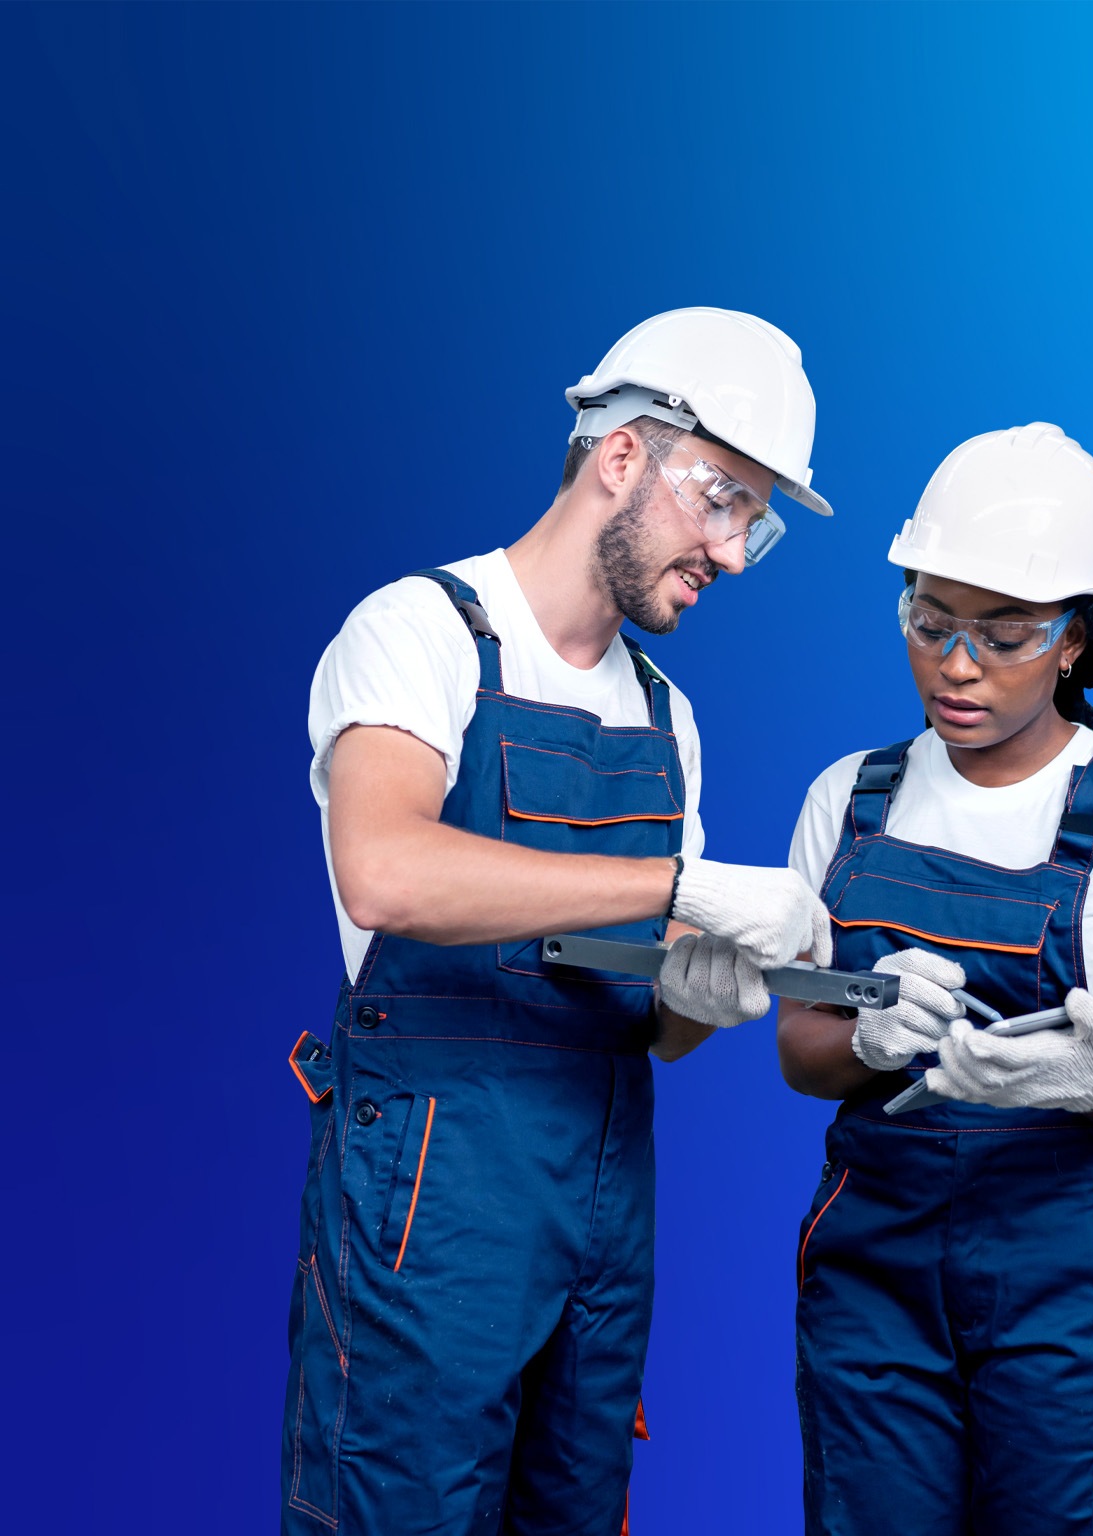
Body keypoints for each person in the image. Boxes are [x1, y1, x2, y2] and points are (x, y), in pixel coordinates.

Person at [281, 307, 835, 1536]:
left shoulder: (666, 720)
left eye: (758, 521)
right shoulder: (421, 632)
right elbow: (384, 871)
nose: (736, 553)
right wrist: (679, 889)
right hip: (429, 1202)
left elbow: (645, 1027)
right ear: (624, 456)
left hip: (600, 1216)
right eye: (723, 502)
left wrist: (709, 993)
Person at [778, 424, 1093, 1535]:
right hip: (874, 1252)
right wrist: (869, 1040)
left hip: (1066, 1260)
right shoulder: (852, 796)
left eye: (1005, 636)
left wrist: (1073, 1077)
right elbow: (799, 1050)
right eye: (930, 623)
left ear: (1077, 640)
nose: (957, 665)